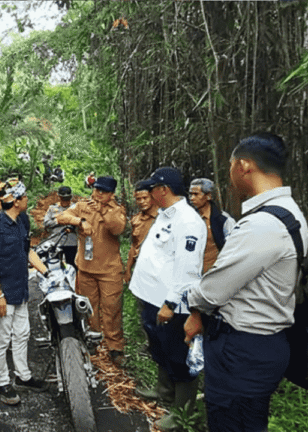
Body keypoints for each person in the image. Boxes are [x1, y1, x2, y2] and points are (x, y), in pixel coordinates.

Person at [184, 133, 308, 432]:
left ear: (244, 166)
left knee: (231, 421)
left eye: (230, 167)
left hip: (243, 350)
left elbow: (213, 290)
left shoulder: (263, 225)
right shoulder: (291, 214)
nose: (229, 176)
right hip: (262, 344)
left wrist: (192, 300)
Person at [128, 166, 206, 431]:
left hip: (170, 303)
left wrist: (170, 304)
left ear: (164, 190)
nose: (148, 193)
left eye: (152, 189)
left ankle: (183, 411)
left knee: (177, 353)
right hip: (151, 296)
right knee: (159, 347)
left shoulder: (188, 221)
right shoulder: (165, 215)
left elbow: (187, 269)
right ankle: (164, 392)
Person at [0, 179, 49, 405]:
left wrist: (46, 271)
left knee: (22, 333)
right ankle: (1, 381)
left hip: (20, 289)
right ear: (17, 201)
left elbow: (27, 250)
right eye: (25, 197)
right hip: (4, 291)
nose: (28, 200)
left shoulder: (22, 220)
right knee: (1, 338)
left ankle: (23, 375)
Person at [56, 176, 127, 366]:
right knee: (89, 307)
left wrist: (104, 210)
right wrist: (80, 221)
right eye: (96, 190)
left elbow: (118, 229)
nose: (98, 194)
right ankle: (93, 340)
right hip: (86, 269)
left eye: (103, 191)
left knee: (111, 310)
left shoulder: (116, 210)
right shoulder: (82, 205)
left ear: (111, 194)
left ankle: (115, 348)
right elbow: (61, 217)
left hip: (109, 271)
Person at [189, 178, 236, 273]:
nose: (192, 198)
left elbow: (233, 249)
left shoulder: (224, 220)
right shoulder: (188, 219)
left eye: (196, 194)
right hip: (192, 276)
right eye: (191, 194)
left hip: (215, 274)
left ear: (208, 196)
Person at [123, 179, 159, 284]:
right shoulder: (136, 220)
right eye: (138, 199)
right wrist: (128, 270)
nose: (142, 202)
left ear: (152, 197)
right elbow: (134, 246)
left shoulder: (163, 218)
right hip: (142, 269)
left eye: (145, 198)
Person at [43, 186, 77, 270]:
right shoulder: (52, 208)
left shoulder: (76, 208)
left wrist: (72, 225)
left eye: (67, 198)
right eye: (63, 198)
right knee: (54, 267)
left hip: (71, 242)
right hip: (56, 242)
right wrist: (58, 221)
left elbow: (82, 223)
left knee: (72, 267)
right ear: (59, 197)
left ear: (71, 197)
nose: (65, 201)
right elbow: (46, 223)